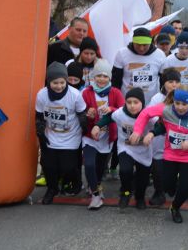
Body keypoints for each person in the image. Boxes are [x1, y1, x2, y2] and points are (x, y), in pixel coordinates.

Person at [134, 88, 188, 223]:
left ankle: (175, 207)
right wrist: (150, 133)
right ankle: (173, 186)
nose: (180, 107)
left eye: (184, 104)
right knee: (168, 187)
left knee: (185, 188)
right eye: (177, 103)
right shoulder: (167, 111)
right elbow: (161, 125)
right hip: (170, 154)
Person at [35, 62, 87, 205]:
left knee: (67, 166)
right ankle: (52, 189)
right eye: (55, 83)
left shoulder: (75, 95)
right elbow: (39, 116)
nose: (59, 86)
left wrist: (85, 131)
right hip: (51, 134)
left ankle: (75, 181)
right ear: (48, 82)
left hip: (71, 135)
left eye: (62, 82)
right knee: (48, 165)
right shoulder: (42, 95)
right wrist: (40, 134)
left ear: (66, 81)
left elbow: (82, 114)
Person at [94, 88, 152, 210]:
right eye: (129, 102)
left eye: (136, 102)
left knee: (143, 177)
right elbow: (109, 118)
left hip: (144, 150)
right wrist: (98, 126)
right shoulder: (120, 113)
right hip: (126, 147)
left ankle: (140, 197)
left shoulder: (149, 115)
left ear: (142, 102)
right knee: (125, 171)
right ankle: (125, 193)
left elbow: (161, 126)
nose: (132, 106)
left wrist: (152, 134)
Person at [81, 59, 124, 209]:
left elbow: (123, 110)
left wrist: (112, 109)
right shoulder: (86, 92)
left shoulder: (116, 92)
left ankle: (96, 184)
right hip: (89, 135)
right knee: (89, 164)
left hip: (107, 137)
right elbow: (80, 111)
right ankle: (95, 194)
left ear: (110, 78)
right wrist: (88, 113)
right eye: (98, 75)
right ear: (93, 76)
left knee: (99, 167)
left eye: (105, 76)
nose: (101, 79)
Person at [145, 68, 181, 206]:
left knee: (175, 164)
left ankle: (172, 186)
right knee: (158, 164)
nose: (174, 85)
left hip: (177, 137)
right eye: (170, 81)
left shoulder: (183, 96)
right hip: (160, 136)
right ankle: (159, 192)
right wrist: (162, 123)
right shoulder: (157, 98)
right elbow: (149, 115)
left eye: (177, 81)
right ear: (163, 83)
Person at [112, 27, 167, 99]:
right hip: (128, 101)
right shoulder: (122, 53)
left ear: (150, 43)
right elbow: (116, 80)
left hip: (151, 102)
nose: (141, 48)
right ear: (133, 42)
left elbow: (164, 81)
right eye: (138, 44)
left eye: (145, 45)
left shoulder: (160, 55)